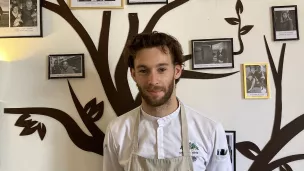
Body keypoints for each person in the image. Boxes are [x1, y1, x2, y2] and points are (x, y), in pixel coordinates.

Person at [103, 31, 233, 171]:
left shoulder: (210, 130)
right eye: (143, 70)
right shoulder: (117, 131)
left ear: (177, 71)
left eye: (162, 69)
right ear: (133, 74)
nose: (153, 81)